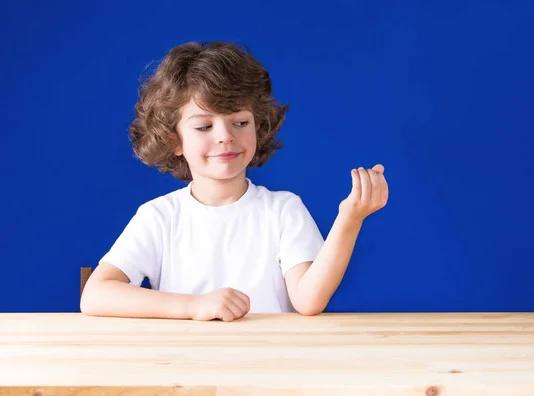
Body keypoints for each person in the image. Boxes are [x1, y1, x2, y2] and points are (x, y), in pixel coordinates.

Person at [80, 41, 388, 321]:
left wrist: (350, 218)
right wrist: (195, 306)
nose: (226, 136)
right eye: (204, 127)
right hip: (183, 372)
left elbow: (308, 300)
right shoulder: (159, 217)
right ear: (174, 140)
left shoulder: (283, 210)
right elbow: (95, 295)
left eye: (240, 122)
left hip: (268, 370)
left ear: (258, 127)